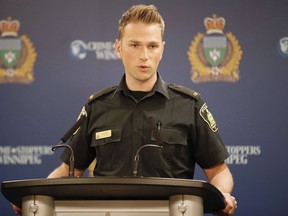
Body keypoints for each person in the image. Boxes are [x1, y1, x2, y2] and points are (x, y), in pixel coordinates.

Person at [12, 4, 237, 215]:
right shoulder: (96, 107)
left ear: (162, 49)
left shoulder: (189, 105)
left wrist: (222, 195)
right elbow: (67, 171)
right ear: (118, 48)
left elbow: (218, 172)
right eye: (134, 45)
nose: (144, 56)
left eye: (152, 46)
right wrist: (35, 197)